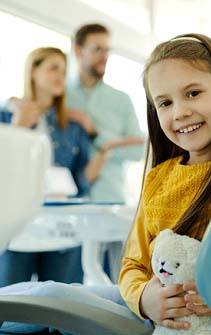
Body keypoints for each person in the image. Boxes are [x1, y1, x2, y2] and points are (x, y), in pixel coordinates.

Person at [0, 33, 211, 333]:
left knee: (48, 299)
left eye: (194, 93)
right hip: (148, 308)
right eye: (165, 103)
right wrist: (145, 298)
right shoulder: (159, 178)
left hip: (184, 323)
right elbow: (133, 265)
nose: (180, 112)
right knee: (44, 292)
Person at [0, 47, 102, 286]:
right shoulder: (5, 116)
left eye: (64, 70)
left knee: (62, 307)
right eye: (53, 67)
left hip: (63, 226)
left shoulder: (73, 126)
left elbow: (81, 182)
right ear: (33, 71)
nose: (61, 76)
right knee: (9, 307)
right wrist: (20, 127)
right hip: (19, 227)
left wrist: (102, 147)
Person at [66, 23, 145, 282]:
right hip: (68, 206)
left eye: (107, 49)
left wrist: (99, 138)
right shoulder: (60, 96)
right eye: (97, 49)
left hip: (110, 203)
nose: (104, 56)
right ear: (78, 50)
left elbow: (138, 149)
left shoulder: (120, 99)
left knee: (116, 285)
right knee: (69, 286)